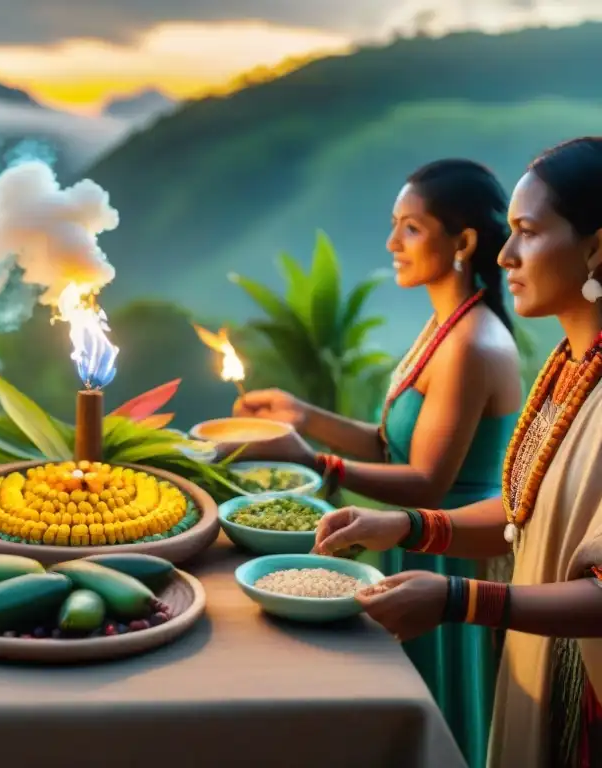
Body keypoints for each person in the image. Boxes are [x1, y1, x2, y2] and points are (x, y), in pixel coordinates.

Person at [313, 137, 602, 767]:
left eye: (527, 231)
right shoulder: (570, 369)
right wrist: (408, 525)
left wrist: (457, 599)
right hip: (537, 658)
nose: (506, 253)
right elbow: (526, 515)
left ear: (596, 247)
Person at [232, 159, 523, 768]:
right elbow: (395, 445)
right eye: (395, 226)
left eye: (411, 228)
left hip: (448, 550)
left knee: (432, 715)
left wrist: (316, 463)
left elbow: (428, 481)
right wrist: (303, 415)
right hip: (412, 541)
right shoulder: (444, 329)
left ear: (464, 241)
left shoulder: (472, 343)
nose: (392, 243)